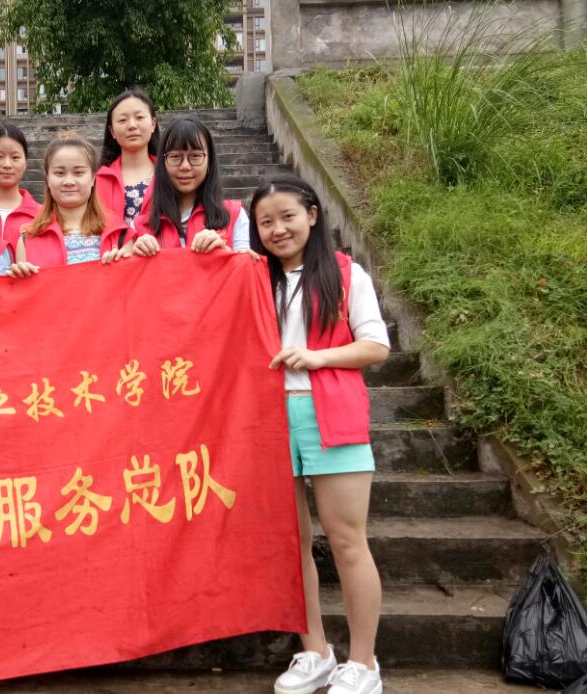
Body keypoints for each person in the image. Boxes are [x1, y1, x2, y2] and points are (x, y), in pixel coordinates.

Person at [252, 175, 389, 694]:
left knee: (347, 540)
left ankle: (364, 663)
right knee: (293, 543)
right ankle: (315, 652)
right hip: (267, 419)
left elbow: (376, 345)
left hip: (330, 411)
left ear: (312, 214)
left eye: (287, 216)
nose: (278, 229)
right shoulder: (254, 277)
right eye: (266, 222)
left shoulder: (345, 273)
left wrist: (317, 357)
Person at [6, 131, 130, 278]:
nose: (69, 182)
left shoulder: (120, 234)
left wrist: (146, 249)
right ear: (47, 179)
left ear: (93, 178)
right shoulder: (27, 240)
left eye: (78, 173)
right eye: (59, 173)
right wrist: (19, 280)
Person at [132, 117, 250, 257]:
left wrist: (225, 253)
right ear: (163, 164)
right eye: (175, 157)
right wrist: (134, 258)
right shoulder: (140, 227)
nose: (185, 166)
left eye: (195, 156)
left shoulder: (235, 215)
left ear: (209, 162)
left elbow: (246, 266)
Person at [95, 88, 159, 227]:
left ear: (153, 124)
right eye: (122, 120)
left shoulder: (170, 173)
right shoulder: (99, 179)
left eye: (139, 117)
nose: (132, 126)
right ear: (112, 131)